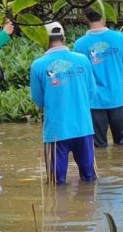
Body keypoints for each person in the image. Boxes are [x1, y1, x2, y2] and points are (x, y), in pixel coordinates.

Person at [30, 22, 97, 184]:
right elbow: (92, 92)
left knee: (56, 183)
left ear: (43, 40)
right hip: (83, 128)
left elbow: (38, 100)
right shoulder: (82, 60)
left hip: (56, 132)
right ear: (64, 38)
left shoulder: (38, 65)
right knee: (89, 180)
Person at [73, 7, 123, 148]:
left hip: (93, 101)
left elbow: (80, 74)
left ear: (85, 18)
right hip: (118, 97)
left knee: (98, 146)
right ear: (105, 17)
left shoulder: (80, 44)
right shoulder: (120, 38)